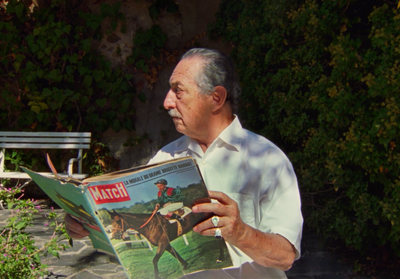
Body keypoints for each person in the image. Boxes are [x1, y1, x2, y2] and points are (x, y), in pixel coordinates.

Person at [65, 48, 303, 278]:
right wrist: (88, 224)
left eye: (178, 92)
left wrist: (241, 233)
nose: (167, 102)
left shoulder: (268, 160)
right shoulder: (165, 157)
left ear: (216, 98)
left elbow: (285, 256)